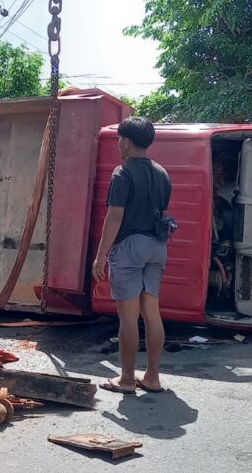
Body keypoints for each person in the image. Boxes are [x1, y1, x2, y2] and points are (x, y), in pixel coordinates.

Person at [92, 117, 171, 395]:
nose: (118, 146)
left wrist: (100, 257)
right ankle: (152, 377)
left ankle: (126, 380)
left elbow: (115, 216)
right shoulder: (163, 173)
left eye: (118, 140)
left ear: (125, 141)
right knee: (152, 314)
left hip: (130, 247)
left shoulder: (122, 173)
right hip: (157, 246)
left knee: (128, 317)